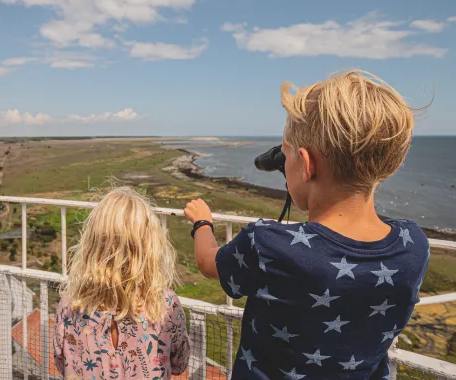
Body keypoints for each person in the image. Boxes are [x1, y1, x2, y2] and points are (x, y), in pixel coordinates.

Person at [184, 70, 429, 379]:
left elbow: (209, 263)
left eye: (285, 157)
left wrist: (202, 221)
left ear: (307, 164)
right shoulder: (413, 246)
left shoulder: (268, 244)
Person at [53, 187, 190, 378]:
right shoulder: (165, 305)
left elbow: (63, 363)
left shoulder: (69, 305)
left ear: (93, 243)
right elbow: (179, 363)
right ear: (149, 246)